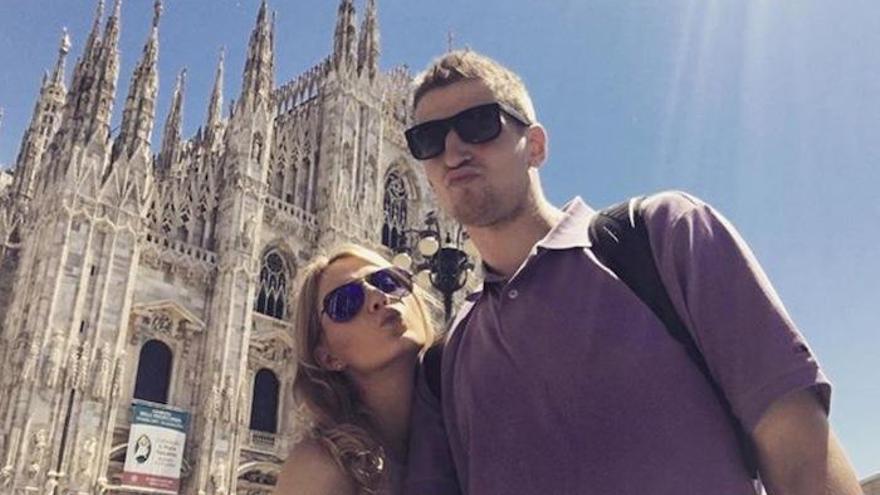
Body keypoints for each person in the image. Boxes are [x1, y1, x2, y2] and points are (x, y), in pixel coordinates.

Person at [402, 50, 863, 495]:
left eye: (479, 124)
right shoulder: (447, 360)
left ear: (535, 146)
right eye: (429, 139)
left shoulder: (662, 237)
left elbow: (802, 455)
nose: (454, 150)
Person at [275, 245, 436, 495]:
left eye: (389, 281)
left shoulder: (464, 427)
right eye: (346, 301)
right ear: (328, 357)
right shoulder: (320, 469)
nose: (379, 297)